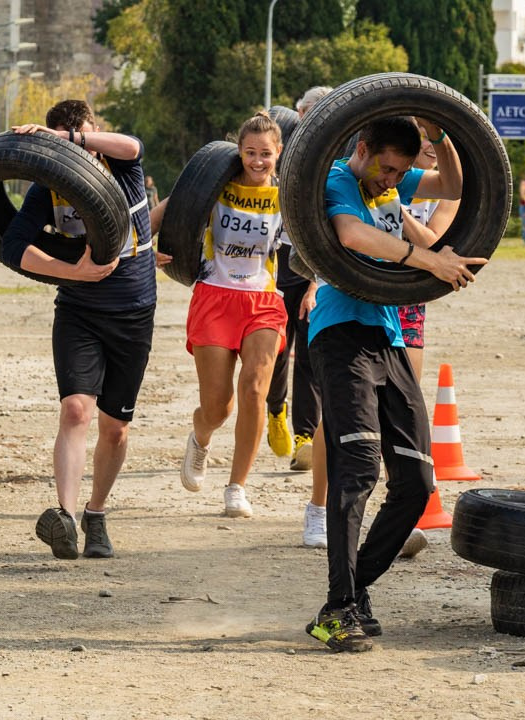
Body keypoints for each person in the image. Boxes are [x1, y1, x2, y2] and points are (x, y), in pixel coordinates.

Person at [304, 116, 485, 652]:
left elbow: (452, 186)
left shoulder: (394, 182)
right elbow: (350, 234)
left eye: (400, 172)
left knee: (416, 483)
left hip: (387, 336)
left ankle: (351, 594)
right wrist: (423, 257)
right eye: (385, 167)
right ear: (362, 149)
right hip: (338, 334)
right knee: (358, 465)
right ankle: (339, 609)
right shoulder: (338, 176)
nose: (391, 180)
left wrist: (442, 136)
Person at [1, 100, 155, 560]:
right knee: (74, 410)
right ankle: (65, 519)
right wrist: (73, 274)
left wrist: (70, 140)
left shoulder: (121, 167)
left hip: (132, 311)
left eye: (79, 136)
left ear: (91, 132)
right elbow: (13, 245)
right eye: (61, 138)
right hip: (79, 311)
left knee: (115, 429)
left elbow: (133, 144)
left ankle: (96, 513)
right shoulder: (48, 188)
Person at [159, 112, 288, 518]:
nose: (257, 161)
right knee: (219, 407)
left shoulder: (289, 197)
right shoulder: (214, 187)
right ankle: (200, 438)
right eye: (250, 152)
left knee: (254, 390)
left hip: (263, 301)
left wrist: (316, 287)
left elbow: (313, 244)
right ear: (239, 152)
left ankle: (237, 487)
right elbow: (163, 217)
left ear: (278, 152)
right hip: (215, 295)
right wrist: (141, 250)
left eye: (265, 154)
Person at [266, 86, 332, 479]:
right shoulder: (273, 155)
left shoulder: (332, 161)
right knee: (276, 345)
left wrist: (315, 282)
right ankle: (276, 409)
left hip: (312, 263)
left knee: (308, 351)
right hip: (276, 263)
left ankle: (305, 436)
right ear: (298, 113)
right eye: (311, 112)